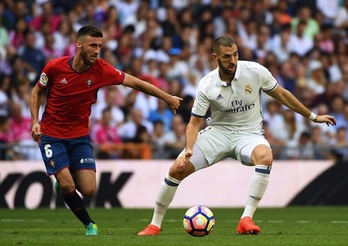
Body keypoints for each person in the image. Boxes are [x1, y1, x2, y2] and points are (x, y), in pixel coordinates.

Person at [137, 36, 336, 236]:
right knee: (176, 169)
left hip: (249, 134)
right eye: (226, 57)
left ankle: (246, 219)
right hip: (218, 133)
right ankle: (154, 225)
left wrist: (313, 116)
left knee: (265, 157)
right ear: (215, 57)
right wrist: (189, 148)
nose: (232, 61)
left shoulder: (255, 72)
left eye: (235, 55)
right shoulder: (207, 84)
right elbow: (195, 122)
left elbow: (283, 95)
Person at [30, 25, 182, 236]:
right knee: (67, 185)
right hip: (51, 135)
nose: (97, 50)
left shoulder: (101, 70)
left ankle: (66, 179)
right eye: (93, 45)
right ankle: (89, 224)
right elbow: (37, 91)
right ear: (79, 45)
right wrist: (35, 122)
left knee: (89, 190)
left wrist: (167, 97)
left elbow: (135, 83)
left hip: (79, 136)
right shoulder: (55, 67)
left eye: (100, 46)